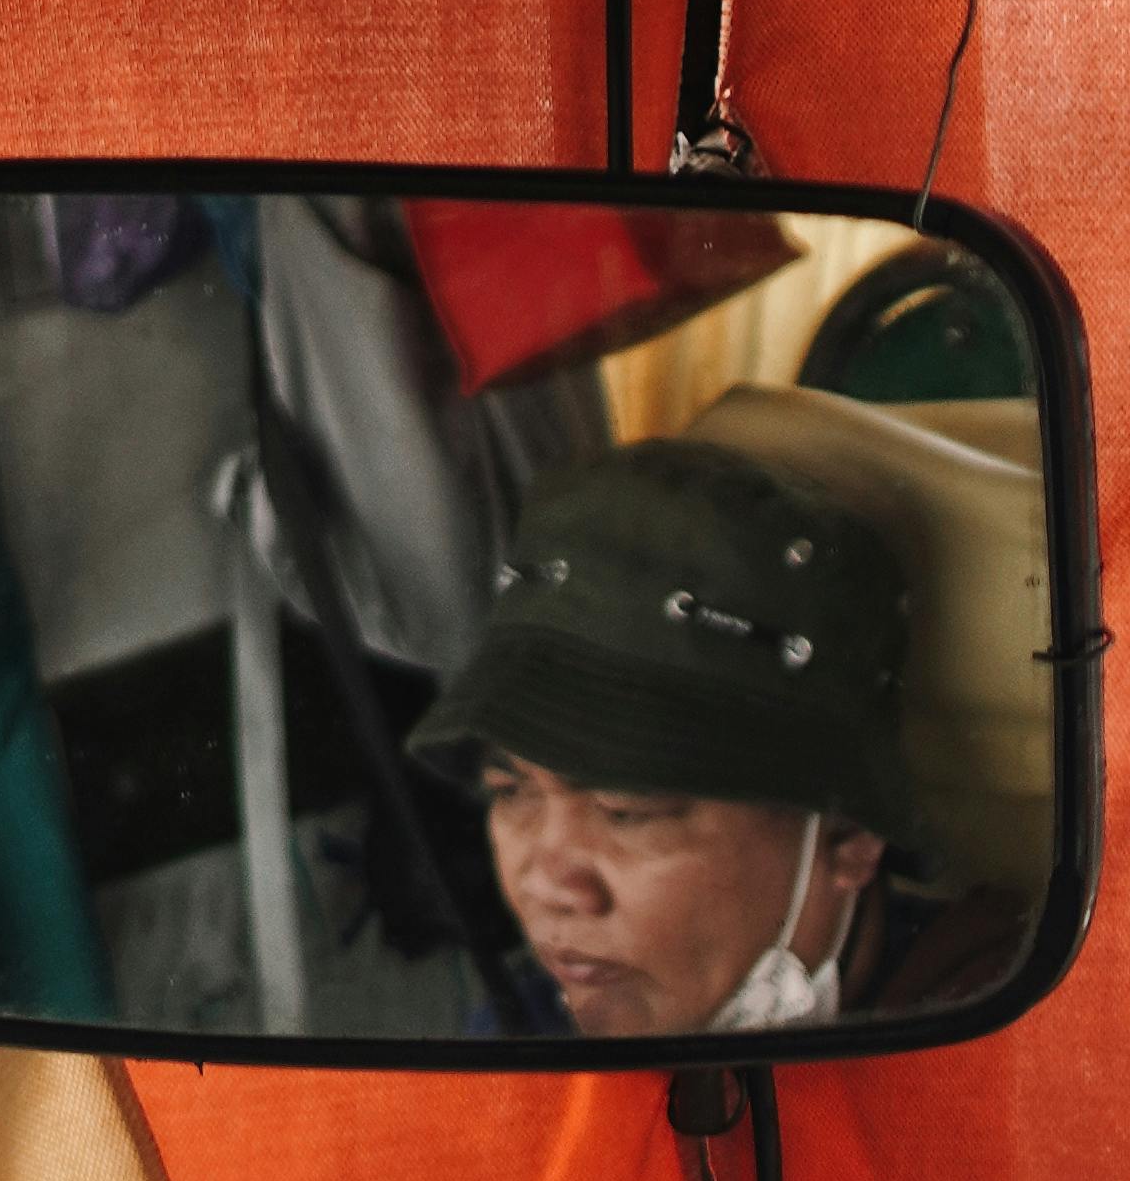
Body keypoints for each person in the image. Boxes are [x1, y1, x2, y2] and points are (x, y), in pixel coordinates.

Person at [409, 436, 1026, 1036]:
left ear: (850, 835)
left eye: (626, 812)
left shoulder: (999, 1035)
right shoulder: (521, 1038)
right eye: (510, 791)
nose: (547, 887)